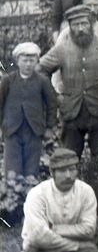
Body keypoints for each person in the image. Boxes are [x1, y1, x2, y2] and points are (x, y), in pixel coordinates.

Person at [38, 5, 98, 159]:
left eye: (84, 24)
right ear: (70, 26)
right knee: (68, 158)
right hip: (71, 113)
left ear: (91, 24)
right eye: (75, 24)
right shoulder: (61, 49)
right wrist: (56, 96)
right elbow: (41, 70)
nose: (80, 28)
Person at [1, 42, 58, 179]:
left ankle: (29, 192)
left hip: (34, 130)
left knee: (31, 168)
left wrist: (50, 127)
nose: (28, 64)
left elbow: (52, 104)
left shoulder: (43, 81)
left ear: (37, 61)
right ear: (17, 61)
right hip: (12, 129)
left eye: (32, 60)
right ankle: (12, 196)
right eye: (24, 60)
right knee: (12, 170)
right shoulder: (8, 80)